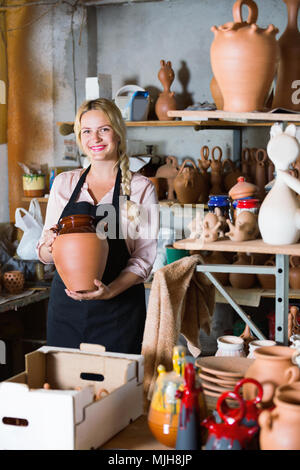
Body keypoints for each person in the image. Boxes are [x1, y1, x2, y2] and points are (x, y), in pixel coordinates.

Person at [37, 98, 158, 354]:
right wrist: (49, 244)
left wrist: (110, 291)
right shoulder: (65, 184)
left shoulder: (139, 188)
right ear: (80, 138)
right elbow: (46, 256)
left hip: (119, 310)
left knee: (116, 390)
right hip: (66, 311)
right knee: (65, 387)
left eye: (104, 129)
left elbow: (144, 260)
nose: (96, 138)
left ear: (117, 132)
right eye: (87, 131)